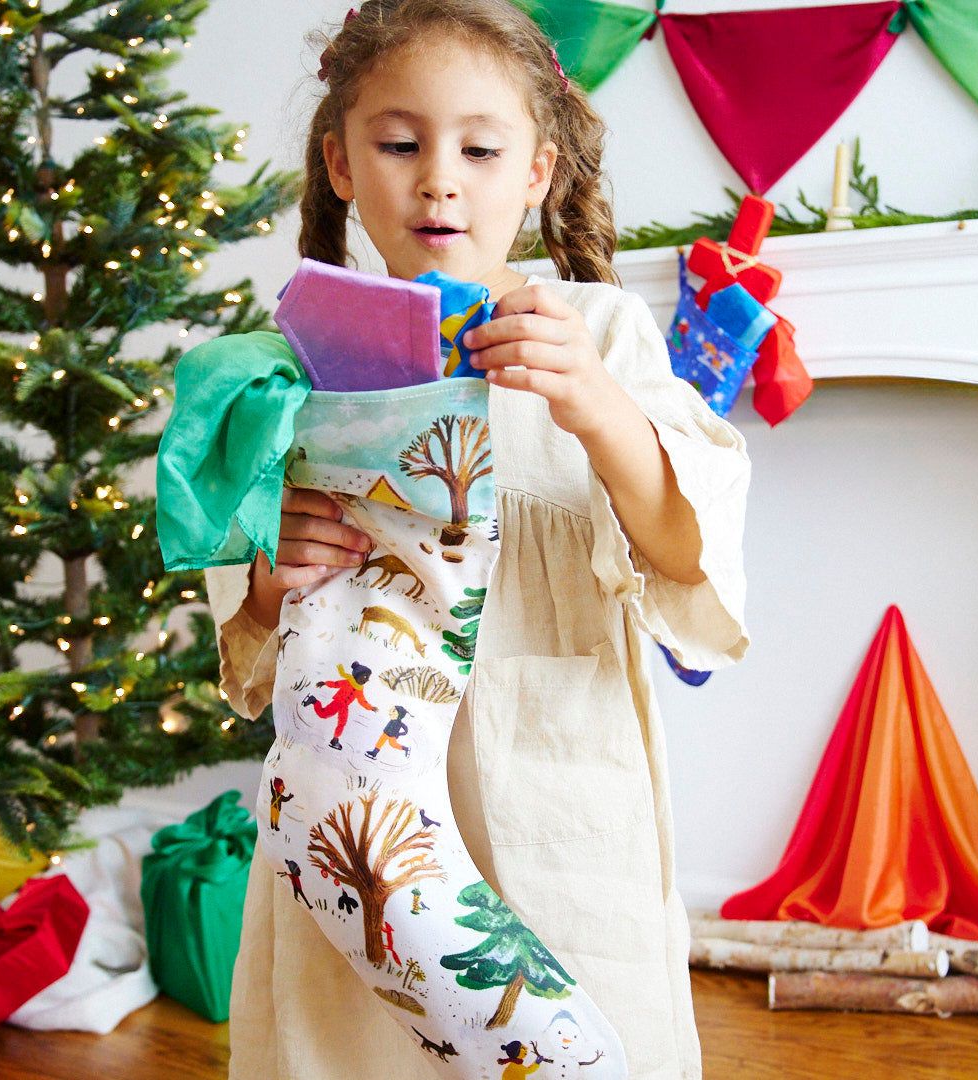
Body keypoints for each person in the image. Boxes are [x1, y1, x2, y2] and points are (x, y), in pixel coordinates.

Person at [204, 2, 749, 1077]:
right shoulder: (285, 365)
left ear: (537, 171)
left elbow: (691, 552)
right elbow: (248, 641)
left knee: (588, 1039)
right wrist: (274, 575)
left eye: (480, 148)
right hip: (359, 822)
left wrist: (595, 404)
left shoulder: (599, 334)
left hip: (561, 793)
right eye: (399, 144)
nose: (439, 179)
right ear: (343, 162)